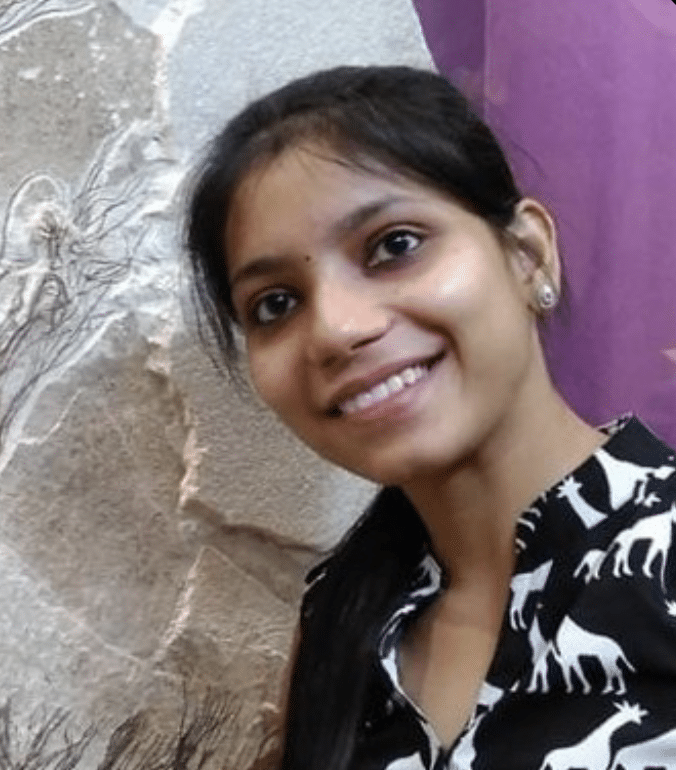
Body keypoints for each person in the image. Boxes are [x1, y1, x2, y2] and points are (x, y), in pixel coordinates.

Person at [186, 66, 676, 770]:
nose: (335, 330)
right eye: (276, 303)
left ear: (527, 253)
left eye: (394, 245)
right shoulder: (344, 617)